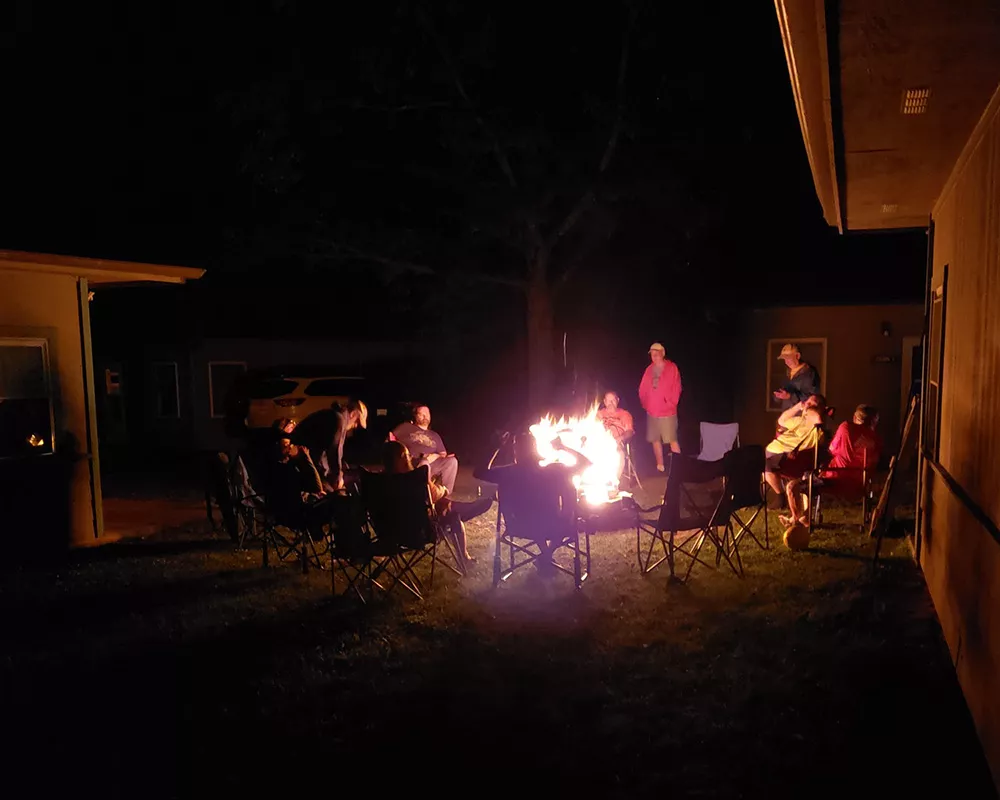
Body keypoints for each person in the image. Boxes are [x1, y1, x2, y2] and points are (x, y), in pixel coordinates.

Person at [474, 432, 591, 577]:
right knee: (565, 500)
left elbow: (479, 472)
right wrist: (562, 447)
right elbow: (586, 463)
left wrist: (496, 447)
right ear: (535, 449)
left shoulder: (508, 472)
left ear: (516, 451)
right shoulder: (555, 470)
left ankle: (545, 556)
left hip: (519, 526)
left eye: (515, 448)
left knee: (535, 516)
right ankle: (547, 555)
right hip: (556, 526)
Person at [381, 440, 493, 565]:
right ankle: (464, 557)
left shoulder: (377, 482)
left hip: (389, 533)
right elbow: (433, 493)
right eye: (408, 455)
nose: (411, 457)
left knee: (445, 506)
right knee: (453, 515)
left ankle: (459, 508)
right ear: (402, 458)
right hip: (420, 532)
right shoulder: (413, 478)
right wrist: (443, 489)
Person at [763, 394, 827, 527]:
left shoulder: (817, 427)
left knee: (763, 463)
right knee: (756, 458)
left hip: (789, 458)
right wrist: (799, 406)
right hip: (775, 452)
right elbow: (781, 420)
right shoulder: (799, 420)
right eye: (807, 402)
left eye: (812, 403)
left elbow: (819, 418)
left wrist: (811, 410)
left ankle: (780, 498)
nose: (807, 405)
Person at [289, 399, 368, 492]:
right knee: (332, 496)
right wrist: (337, 477)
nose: (355, 426)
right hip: (303, 464)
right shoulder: (339, 420)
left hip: (303, 461)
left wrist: (341, 468)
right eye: (357, 422)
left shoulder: (333, 416)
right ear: (353, 414)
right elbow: (334, 452)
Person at [391, 404, 458, 495]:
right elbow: (391, 439)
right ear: (415, 416)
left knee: (452, 461)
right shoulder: (406, 427)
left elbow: (443, 454)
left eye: (427, 413)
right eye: (421, 414)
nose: (425, 416)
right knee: (424, 463)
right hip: (412, 463)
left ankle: (444, 495)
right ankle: (425, 494)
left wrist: (435, 456)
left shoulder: (434, 435)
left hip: (431, 463)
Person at [638, 342, 683, 472]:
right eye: (652, 354)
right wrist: (646, 404)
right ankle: (660, 465)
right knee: (655, 438)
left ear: (662, 353)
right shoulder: (649, 369)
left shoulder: (671, 367)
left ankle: (679, 466)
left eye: (657, 353)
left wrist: (670, 402)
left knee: (672, 439)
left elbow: (677, 387)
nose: (655, 356)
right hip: (652, 410)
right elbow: (642, 388)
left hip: (667, 410)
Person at [821, 404, 883, 493]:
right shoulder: (877, 440)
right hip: (861, 483)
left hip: (836, 478)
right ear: (875, 422)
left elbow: (831, 449)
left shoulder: (846, 427)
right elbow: (874, 462)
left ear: (855, 417)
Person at [773, 343, 821, 411]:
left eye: (788, 358)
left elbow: (812, 397)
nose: (786, 362)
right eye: (784, 359)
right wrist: (778, 396)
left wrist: (790, 396)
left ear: (797, 356)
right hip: (787, 415)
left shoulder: (809, 372)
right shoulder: (788, 372)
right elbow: (783, 392)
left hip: (803, 416)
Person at [597, 391, 634, 479]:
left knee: (619, 453)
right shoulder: (599, 414)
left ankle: (614, 481)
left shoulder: (624, 414)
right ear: (605, 402)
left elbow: (630, 431)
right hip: (600, 441)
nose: (611, 403)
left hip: (617, 441)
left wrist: (620, 438)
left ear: (617, 400)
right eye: (608, 401)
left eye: (613, 400)